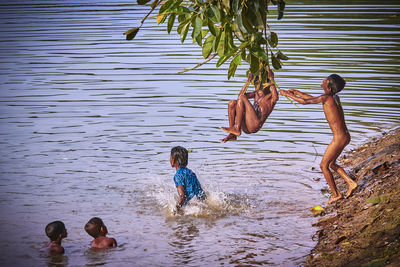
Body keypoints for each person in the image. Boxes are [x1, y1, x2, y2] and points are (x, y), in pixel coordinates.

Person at [280, 74, 358, 204]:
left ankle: (336, 194)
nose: (322, 81)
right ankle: (351, 183)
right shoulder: (333, 97)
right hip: (345, 136)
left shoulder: (326, 98)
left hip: (339, 138)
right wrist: (297, 92)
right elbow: (312, 99)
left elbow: (305, 102)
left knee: (323, 166)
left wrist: (287, 94)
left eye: (324, 80)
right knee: (331, 164)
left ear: (329, 85)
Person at [220, 68, 278, 142]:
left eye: (261, 85)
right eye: (256, 84)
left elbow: (276, 97)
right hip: (246, 124)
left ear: (267, 86)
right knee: (232, 103)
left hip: (254, 125)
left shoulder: (270, 97)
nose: (258, 88)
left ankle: (237, 128)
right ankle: (233, 133)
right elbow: (240, 96)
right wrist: (248, 81)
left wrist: (271, 80)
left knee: (242, 97)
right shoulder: (255, 94)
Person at [170, 146, 206, 212]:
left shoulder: (178, 175)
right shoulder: (190, 172)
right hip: (200, 202)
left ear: (173, 160)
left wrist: (175, 210)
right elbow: (200, 192)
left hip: (191, 206)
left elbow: (182, 196)